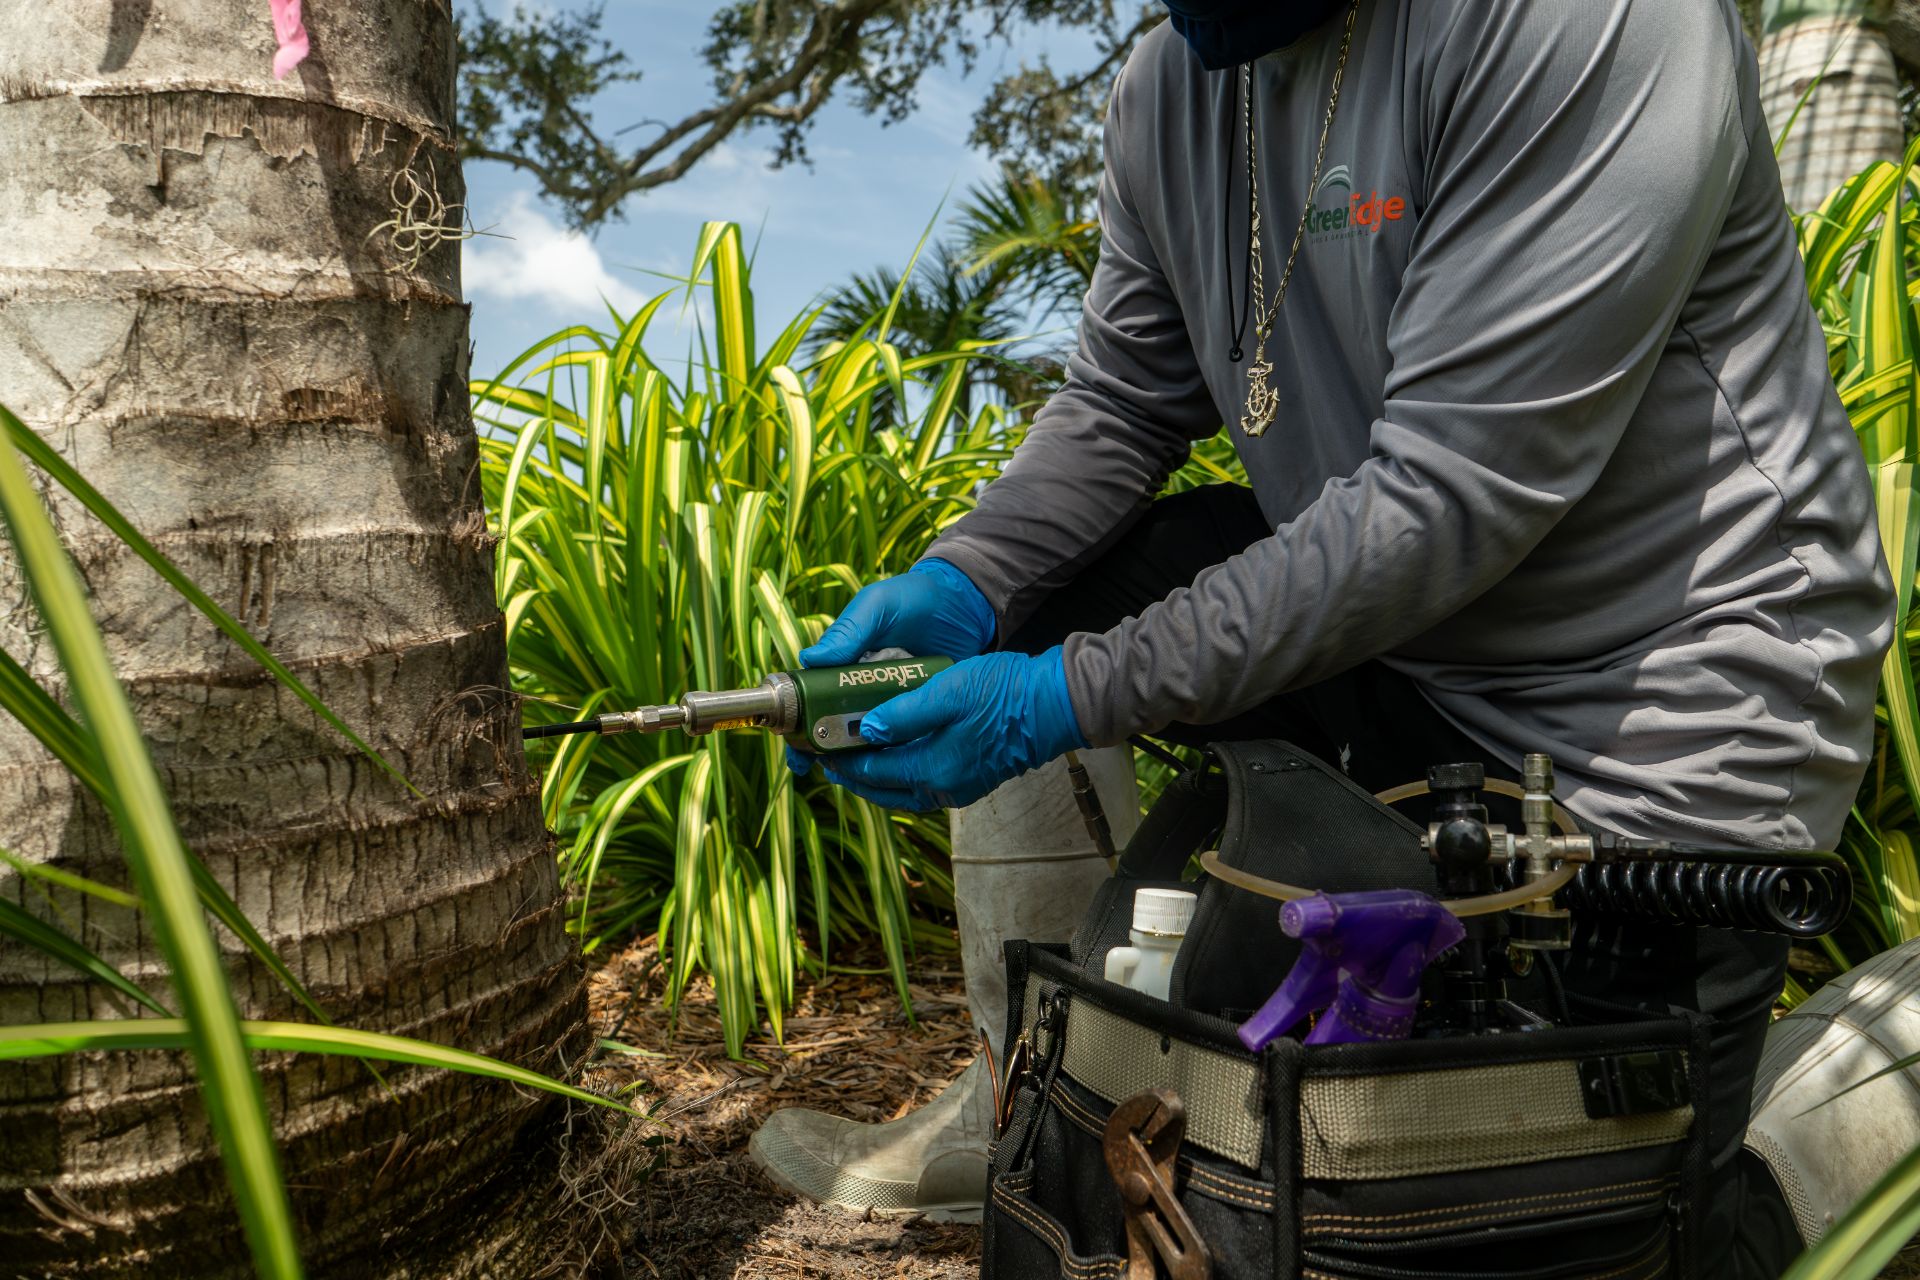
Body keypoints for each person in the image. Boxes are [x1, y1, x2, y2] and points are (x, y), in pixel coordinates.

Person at [749, 2, 1896, 1275]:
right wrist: (968, 585)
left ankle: (1856, 1099)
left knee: (1594, 1226)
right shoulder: (1170, 88)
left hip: (1656, 707)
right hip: (1393, 645)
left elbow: (1447, 498)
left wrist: (1058, 698)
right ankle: (1035, 1084)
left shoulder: (1588, 17)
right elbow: (1126, 400)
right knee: (1039, 598)